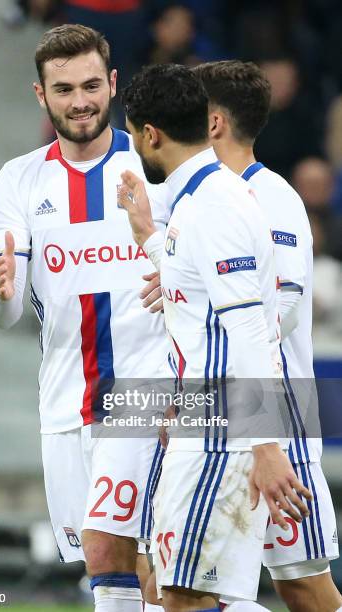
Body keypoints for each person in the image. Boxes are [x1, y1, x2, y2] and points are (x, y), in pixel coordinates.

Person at [0, 23, 172, 612]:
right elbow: (3, 314)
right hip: (66, 402)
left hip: (151, 392)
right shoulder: (19, 179)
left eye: (91, 85)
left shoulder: (156, 166)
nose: (80, 101)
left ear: (113, 84)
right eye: (63, 89)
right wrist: (3, 290)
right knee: (107, 566)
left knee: (149, 560)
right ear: (41, 94)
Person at [119, 62, 312, 612]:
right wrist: (148, 238)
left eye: (133, 135)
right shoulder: (200, 200)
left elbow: (253, 327)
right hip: (202, 424)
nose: (135, 147)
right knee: (184, 594)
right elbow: (198, 299)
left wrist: (267, 447)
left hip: (222, 436)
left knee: (182, 597)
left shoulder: (216, 208)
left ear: (151, 134)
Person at [191, 59, 341, 612]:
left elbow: (286, 311)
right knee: (179, 583)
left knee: (301, 584)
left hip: (274, 410)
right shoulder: (199, 199)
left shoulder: (272, 197)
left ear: (211, 123)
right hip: (210, 413)